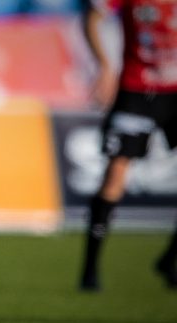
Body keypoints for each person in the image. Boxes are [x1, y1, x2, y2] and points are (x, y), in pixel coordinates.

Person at [79, 0, 177, 291]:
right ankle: (90, 271)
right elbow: (93, 17)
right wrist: (105, 66)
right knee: (114, 175)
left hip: (175, 93)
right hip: (136, 90)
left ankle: (169, 260)